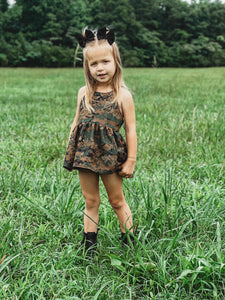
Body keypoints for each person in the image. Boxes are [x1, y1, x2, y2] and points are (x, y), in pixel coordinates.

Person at [63, 27, 137, 254]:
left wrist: (131, 160)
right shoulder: (83, 92)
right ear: (87, 67)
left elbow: (131, 130)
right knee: (90, 200)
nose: (100, 68)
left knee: (116, 201)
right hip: (84, 155)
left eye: (105, 61)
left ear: (115, 61)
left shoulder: (122, 95)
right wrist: (71, 150)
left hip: (110, 156)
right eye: (93, 64)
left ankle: (130, 245)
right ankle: (89, 247)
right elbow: (76, 123)